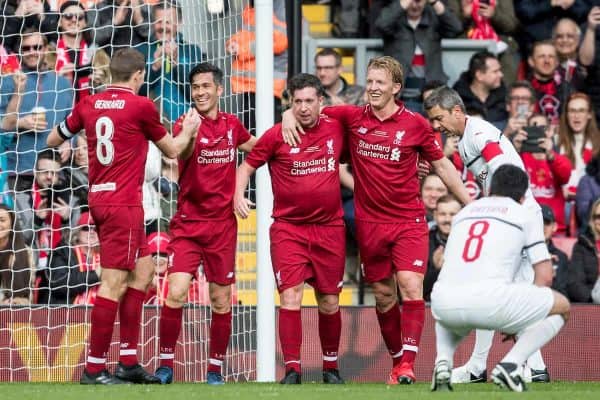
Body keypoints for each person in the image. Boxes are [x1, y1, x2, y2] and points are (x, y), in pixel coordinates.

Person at [283, 56, 472, 384]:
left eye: (379, 83)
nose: (372, 88)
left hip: (408, 220)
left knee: (411, 286)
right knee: (384, 295)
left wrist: (470, 205)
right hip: (370, 225)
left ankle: (408, 364)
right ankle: (398, 362)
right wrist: (287, 112)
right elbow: (310, 107)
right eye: (369, 82)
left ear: (396, 88)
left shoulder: (416, 125)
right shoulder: (351, 117)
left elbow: (442, 166)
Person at [46, 47, 199, 385]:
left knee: (142, 274)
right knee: (113, 284)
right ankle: (94, 368)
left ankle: (128, 361)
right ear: (139, 75)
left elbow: (54, 136)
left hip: (99, 198)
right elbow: (173, 150)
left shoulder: (89, 103)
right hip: (124, 204)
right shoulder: (142, 106)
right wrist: (188, 129)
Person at [424, 86, 551, 384]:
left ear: (457, 111)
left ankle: (483, 366)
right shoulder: (464, 138)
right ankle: (533, 368)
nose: (435, 126)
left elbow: (505, 172)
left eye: (439, 118)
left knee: (489, 285)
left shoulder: (479, 135)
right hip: (510, 214)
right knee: (510, 287)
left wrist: (498, 213)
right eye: (432, 120)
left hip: (514, 214)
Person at [235, 73, 346, 385]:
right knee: (290, 297)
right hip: (289, 229)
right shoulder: (275, 135)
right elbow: (245, 167)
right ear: (290, 103)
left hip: (329, 229)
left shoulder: (336, 127)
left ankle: (331, 367)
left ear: (321, 102)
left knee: (329, 300)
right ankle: (293, 369)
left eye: (310, 100)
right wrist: (237, 195)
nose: (304, 107)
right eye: (297, 102)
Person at [152, 62, 256, 386]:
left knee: (221, 300)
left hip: (223, 227)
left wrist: (289, 135)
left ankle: (214, 370)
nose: (200, 92)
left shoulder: (232, 125)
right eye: (195, 87)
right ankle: (166, 365)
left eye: (205, 86)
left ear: (219, 89)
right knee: (177, 293)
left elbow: (257, 149)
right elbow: (176, 151)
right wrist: (189, 133)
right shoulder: (187, 121)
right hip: (188, 225)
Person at [430, 165, 570, 392]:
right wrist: (524, 316)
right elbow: (544, 278)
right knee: (562, 307)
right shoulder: (524, 214)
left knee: (448, 298)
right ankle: (511, 365)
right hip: (492, 303)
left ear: (491, 188)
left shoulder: (464, 213)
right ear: (524, 196)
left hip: (443, 303)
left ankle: (443, 362)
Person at [0, 29, 73, 191]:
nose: (32, 52)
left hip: (53, 173)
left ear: (46, 49)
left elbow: (73, 122)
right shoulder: (7, 82)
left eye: (37, 47)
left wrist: (69, 141)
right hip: (17, 172)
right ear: (20, 51)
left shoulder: (62, 84)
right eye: (26, 48)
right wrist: (20, 123)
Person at [138, 0, 205, 124]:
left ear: (179, 23)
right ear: (153, 23)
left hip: (187, 125)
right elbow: (137, 92)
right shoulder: (141, 51)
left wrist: (176, 65)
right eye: (159, 22)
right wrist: (154, 67)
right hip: (151, 127)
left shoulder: (192, 51)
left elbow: (197, 94)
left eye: (168, 22)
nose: (163, 27)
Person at [41, 211, 101, 304]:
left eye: (96, 229)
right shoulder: (63, 251)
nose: (92, 232)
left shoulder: (108, 257)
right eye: (86, 228)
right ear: (77, 233)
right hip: (65, 314)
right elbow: (60, 284)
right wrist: (96, 274)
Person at [452, 51, 507, 128]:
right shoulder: (457, 101)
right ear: (479, 75)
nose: (501, 75)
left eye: (500, 70)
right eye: (495, 71)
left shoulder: (505, 98)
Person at [423, 194, 461, 302]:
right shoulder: (424, 242)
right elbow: (420, 290)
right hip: (431, 305)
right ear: (435, 215)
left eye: (453, 214)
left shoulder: (470, 241)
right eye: (442, 214)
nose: (447, 219)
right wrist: (436, 269)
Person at [568, 198, 600, 303]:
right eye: (598, 217)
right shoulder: (582, 246)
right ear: (592, 220)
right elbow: (574, 283)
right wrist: (593, 298)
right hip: (592, 304)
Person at [0, 203, 33, 305]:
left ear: (12, 223)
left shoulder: (26, 252)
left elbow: (30, 292)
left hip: (17, 314)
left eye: (2, 220)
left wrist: (16, 303)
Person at [541, 205, 569, 297]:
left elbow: (564, 293)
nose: (543, 227)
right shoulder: (522, 254)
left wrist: (550, 276)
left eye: (547, 223)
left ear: (554, 227)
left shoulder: (561, 257)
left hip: (553, 306)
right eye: (539, 223)